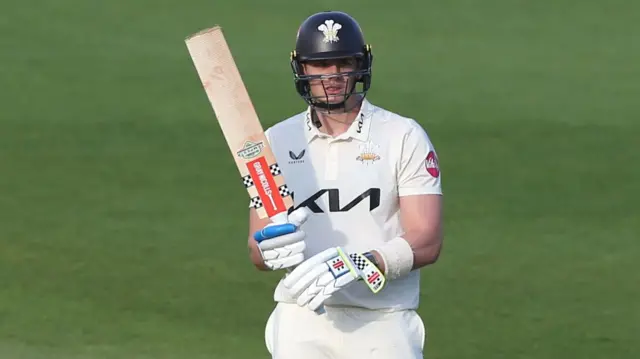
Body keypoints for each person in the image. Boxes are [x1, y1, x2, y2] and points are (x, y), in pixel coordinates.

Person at [246, 10, 444, 359]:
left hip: (383, 320)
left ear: (360, 65)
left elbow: (427, 240)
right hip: (301, 318)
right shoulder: (275, 141)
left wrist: (357, 263)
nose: (333, 75)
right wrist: (271, 247)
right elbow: (257, 249)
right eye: (320, 65)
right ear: (302, 70)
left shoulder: (402, 136)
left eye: (343, 63)